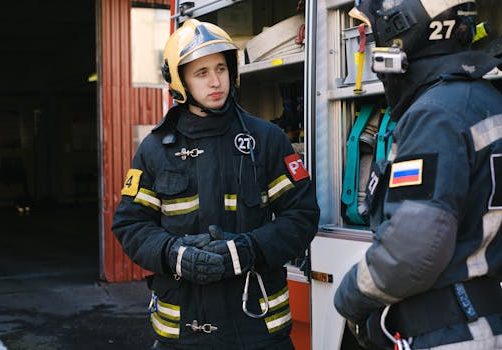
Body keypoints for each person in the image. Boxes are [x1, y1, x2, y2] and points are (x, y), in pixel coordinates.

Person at [111, 19, 319, 350]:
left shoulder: (266, 140)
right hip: (184, 334)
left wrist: (248, 250)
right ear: (180, 82)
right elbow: (130, 224)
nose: (215, 81)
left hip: (258, 331)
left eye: (220, 68)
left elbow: (302, 215)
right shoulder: (154, 149)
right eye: (201, 72)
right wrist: (173, 254)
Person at [334, 1, 502, 349]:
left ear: (400, 33)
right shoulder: (483, 98)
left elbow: (413, 250)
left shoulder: (435, 115)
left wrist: (348, 297)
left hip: (451, 332)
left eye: (374, 36)